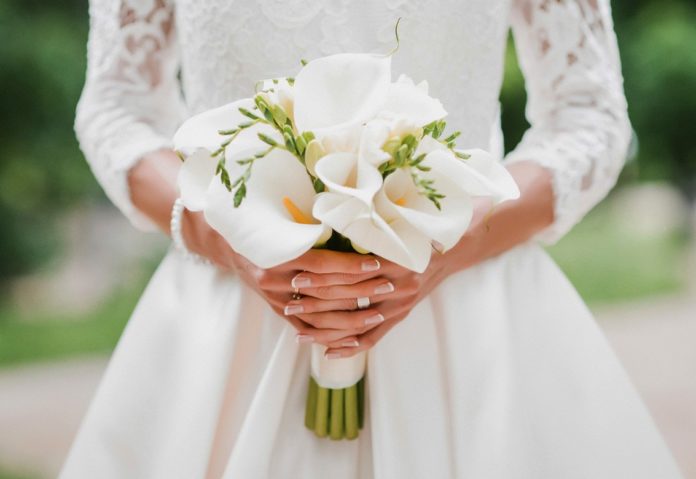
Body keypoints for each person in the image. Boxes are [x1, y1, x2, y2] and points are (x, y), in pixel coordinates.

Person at [60, 0, 683, 477]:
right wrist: (227, 236)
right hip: (231, 323)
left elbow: (588, 114)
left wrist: (449, 239)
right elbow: (117, 106)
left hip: (471, 323)